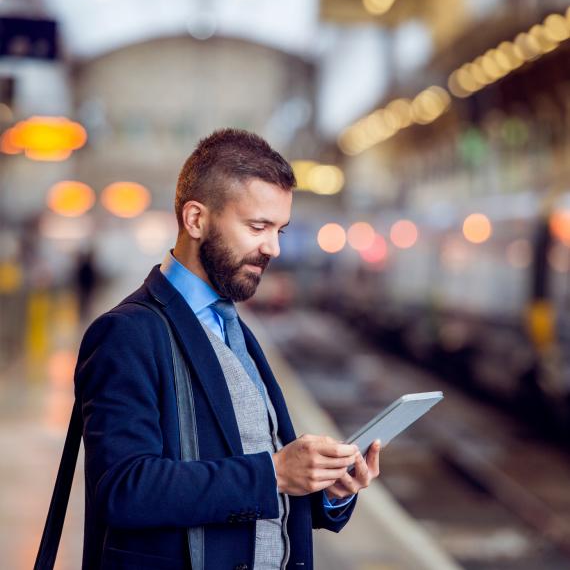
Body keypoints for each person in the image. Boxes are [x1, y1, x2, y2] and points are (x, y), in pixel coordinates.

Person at [75, 128, 381, 570]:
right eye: (258, 226)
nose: (273, 247)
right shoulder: (127, 333)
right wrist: (274, 471)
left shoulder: (233, 326)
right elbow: (124, 489)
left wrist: (325, 490)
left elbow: (252, 478)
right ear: (195, 219)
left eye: (279, 229)